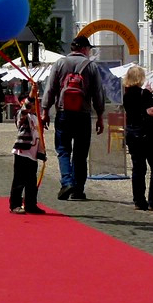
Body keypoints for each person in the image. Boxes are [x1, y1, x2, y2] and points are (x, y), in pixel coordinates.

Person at [41, 35, 104, 201]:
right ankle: (77, 190)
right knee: (80, 153)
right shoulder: (91, 66)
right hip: (83, 114)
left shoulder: (60, 63)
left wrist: (45, 110)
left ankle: (66, 181)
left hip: (63, 112)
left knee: (62, 150)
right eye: (89, 49)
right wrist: (100, 116)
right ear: (84, 49)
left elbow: (50, 89)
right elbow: (98, 93)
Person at [122, 65, 153, 212]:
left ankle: (139, 200)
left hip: (132, 132)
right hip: (147, 134)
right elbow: (151, 111)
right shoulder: (144, 94)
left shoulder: (127, 94)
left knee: (138, 168)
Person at [9, 96, 47, 214]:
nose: (35, 106)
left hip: (32, 154)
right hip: (22, 152)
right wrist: (31, 94)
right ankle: (15, 204)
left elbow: (39, 136)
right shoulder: (22, 116)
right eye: (33, 103)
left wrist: (42, 152)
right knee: (19, 180)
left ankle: (31, 204)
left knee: (31, 181)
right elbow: (25, 108)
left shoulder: (36, 118)